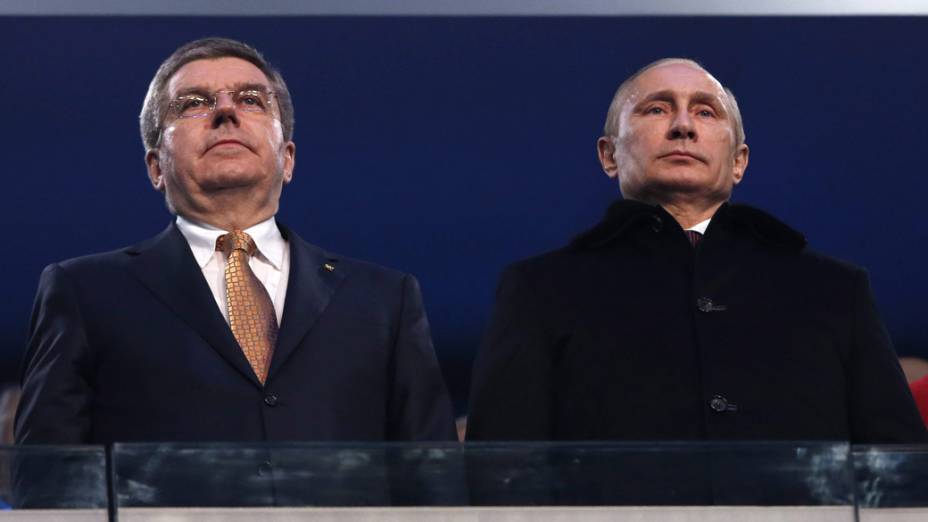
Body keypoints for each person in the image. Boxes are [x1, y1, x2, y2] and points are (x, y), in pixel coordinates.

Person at [15, 37, 456, 444]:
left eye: (250, 100)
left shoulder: (383, 300)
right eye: (193, 104)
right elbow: (51, 477)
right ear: (156, 168)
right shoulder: (85, 292)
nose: (225, 112)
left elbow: (433, 476)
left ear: (287, 159)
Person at [467, 58, 927, 443]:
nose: (683, 126)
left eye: (706, 112)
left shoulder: (835, 291)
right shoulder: (538, 290)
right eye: (656, 109)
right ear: (609, 155)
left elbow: (899, 470)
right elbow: (501, 475)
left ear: (739, 161)